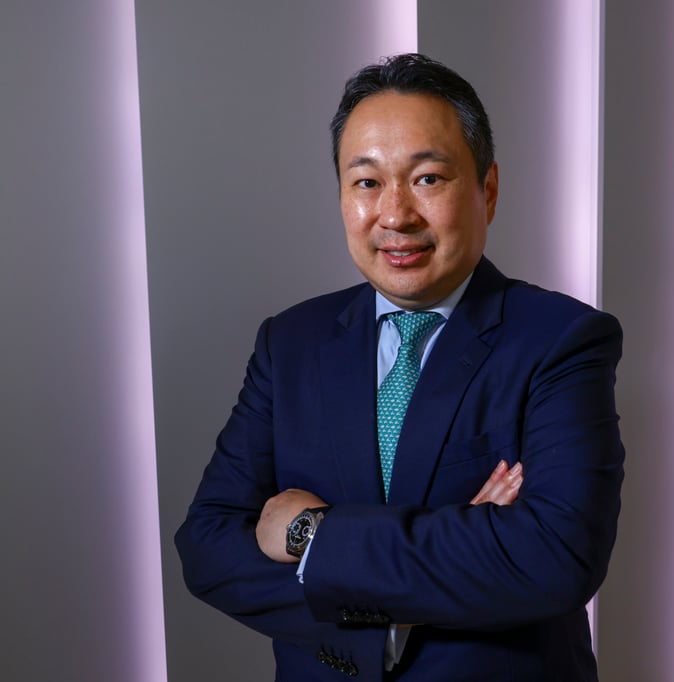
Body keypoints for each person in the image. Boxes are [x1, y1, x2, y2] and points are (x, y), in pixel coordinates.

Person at [175, 52, 625, 682]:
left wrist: (313, 533)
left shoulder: (561, 340)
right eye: (366, 182)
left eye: (428, 179)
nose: (395, 215)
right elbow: (209, 545)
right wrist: (394, 618)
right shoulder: (292, 342)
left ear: (486, 189)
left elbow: (554, 557)